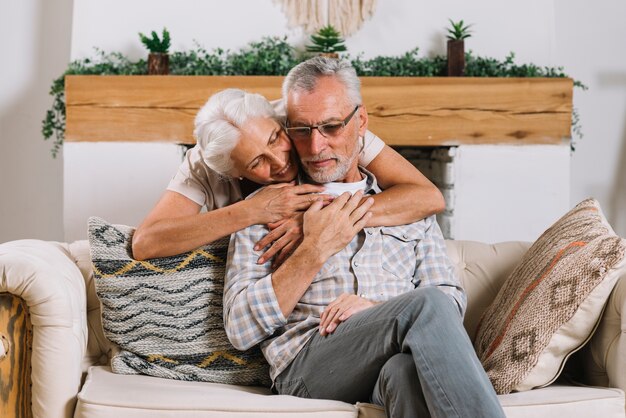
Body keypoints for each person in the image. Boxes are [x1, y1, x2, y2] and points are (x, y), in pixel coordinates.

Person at [223, 57, 505, 418]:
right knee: (425, 305)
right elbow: (240, 329)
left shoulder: (408, 208)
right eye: (302, 130)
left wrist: (377, 311)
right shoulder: (267, 211)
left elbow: (449, 302)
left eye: (330, 127)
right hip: (308, 364)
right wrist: (313, 248)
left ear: (361, 122)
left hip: (390, 359)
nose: (315, 147)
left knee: (403, 374)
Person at [131, 88, 444, 263]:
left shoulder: (316, 125)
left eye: (275, 139)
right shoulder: (205, 162)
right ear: (234, 171)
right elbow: (146, 243)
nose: (280, 161)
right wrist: (250, 211)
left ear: (277, 121)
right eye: (257, 163)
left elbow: (426, 195)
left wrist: (314, 223)